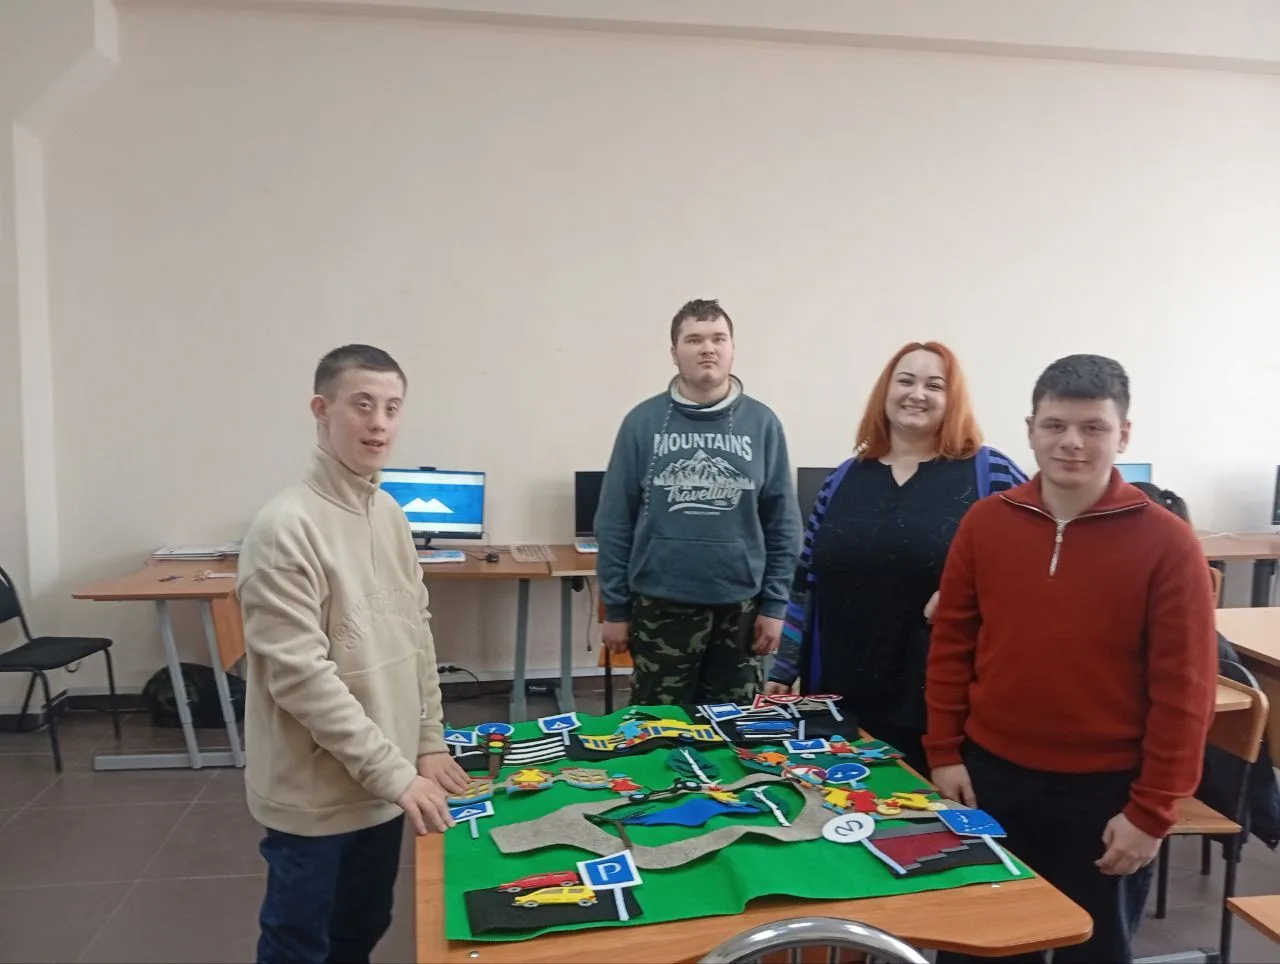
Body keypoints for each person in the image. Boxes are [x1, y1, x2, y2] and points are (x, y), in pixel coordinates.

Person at [925, 354, 1218, 964]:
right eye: (1055, 425)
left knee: (1094, 950)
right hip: (990, 779)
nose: (1072, 443)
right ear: (1031, 430)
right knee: (981, 947)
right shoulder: (986, 523)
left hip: (1107, 794)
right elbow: (952, 644)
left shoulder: (1168, 543)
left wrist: (1152, 811)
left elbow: (1185, 691)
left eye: (1093, 427)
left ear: (1123, 434)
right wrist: (945, 751)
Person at [237, 344, 469, 964]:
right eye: (362, 405)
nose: (379, 424)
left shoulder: (389, 513)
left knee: (361, 930)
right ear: (322, 410)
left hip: (385, 783)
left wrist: (427, 741)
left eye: (392, 408)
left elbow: (417, 634)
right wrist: (395, 772)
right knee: (298, 945)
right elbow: (300, 679)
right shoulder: (285, 528)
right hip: (316, 796)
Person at [764, 341, 1027, 775]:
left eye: (934, 385)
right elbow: (805, 581)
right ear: (885, 391)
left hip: (942, 716)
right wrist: (783, 669)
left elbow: (1035, 559)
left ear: (953, 398)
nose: (917, 394)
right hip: (838, 706)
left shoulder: (990, 473)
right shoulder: (841, 479)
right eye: (905, 381)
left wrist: (972, 589)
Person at [594, 298, 802, 706]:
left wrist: (776, 606)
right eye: (694, 339)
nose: (707, 348)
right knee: (656, 728)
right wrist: (615, 609)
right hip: (659, 607)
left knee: (732, 727)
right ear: (674, 352)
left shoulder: (762, 424)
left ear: (732, 349)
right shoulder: (642, 423)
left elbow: (783, 524)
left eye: (718, 338)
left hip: (740, 611)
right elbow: (615, 521)